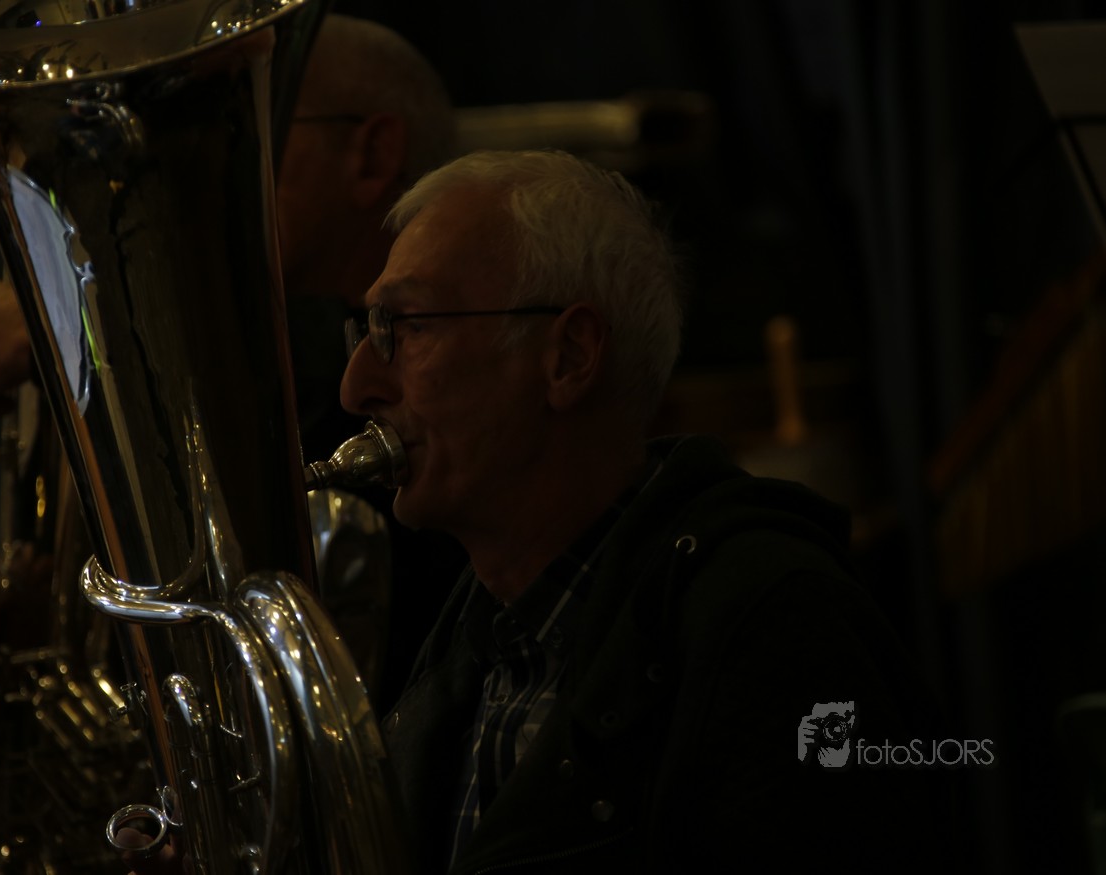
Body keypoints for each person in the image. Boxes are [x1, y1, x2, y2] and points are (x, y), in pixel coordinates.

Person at [332, 148, 951, 872]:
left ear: (568, 356)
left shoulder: (775, 628)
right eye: (368, 330)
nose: (355, 386)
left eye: (405, 327)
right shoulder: (473, 639)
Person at [0, 12, 463, 769]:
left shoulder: (418, 386)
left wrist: (60, 317)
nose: (188, 171)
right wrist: (31, 637)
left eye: (246, 127)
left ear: (371, 154)